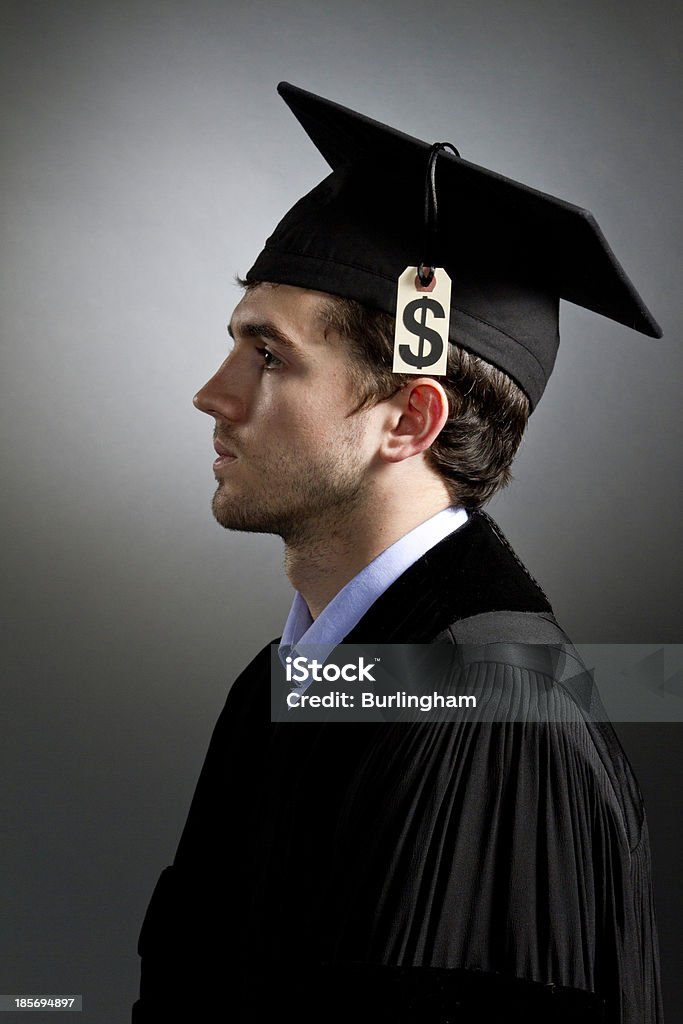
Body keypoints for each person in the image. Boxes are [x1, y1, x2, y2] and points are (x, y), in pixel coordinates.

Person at [133, 84, 663, 1023]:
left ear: (409, 418)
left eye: (268, 356)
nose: (210, 395)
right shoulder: (298, 682)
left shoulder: (494, 716)